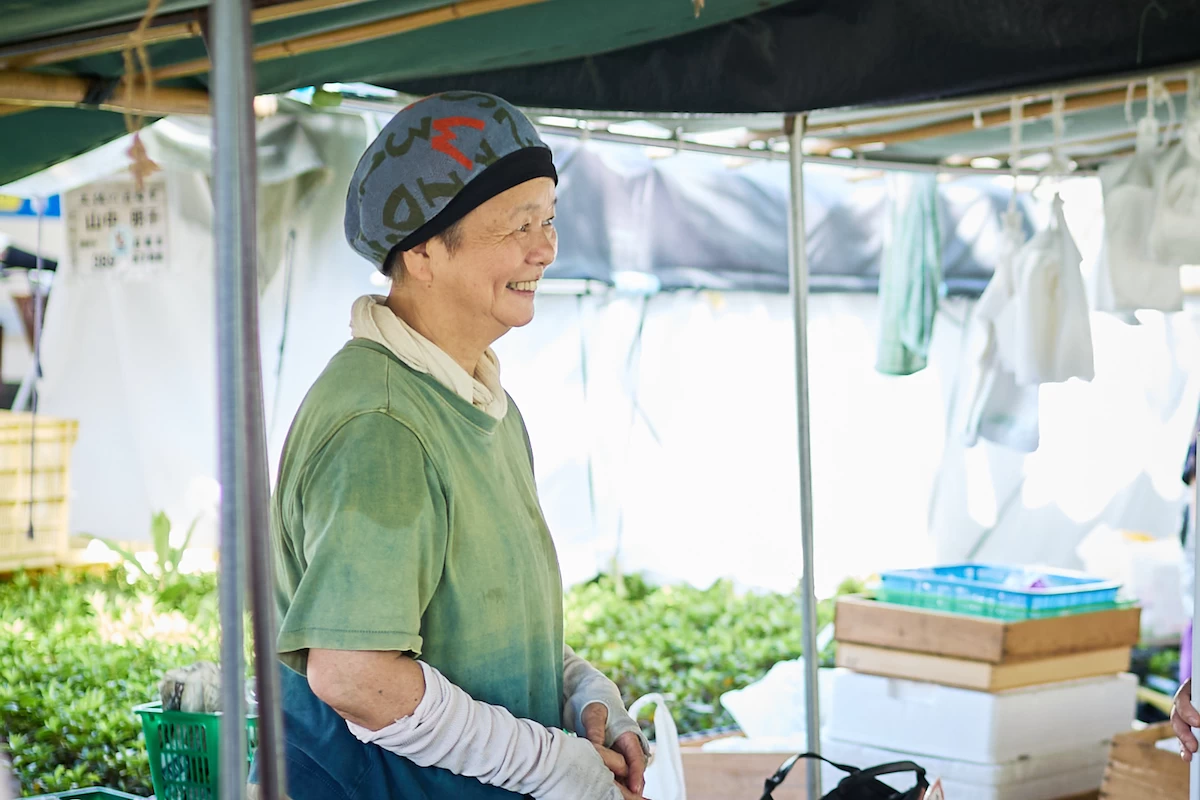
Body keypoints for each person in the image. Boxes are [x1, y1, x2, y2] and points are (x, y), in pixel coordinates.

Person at [248, 92, 650, 800]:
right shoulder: (382, 423)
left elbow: (478, 618)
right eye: (518, 226)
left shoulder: (482, 403)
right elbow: (355, 675)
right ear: (424, 251)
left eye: (549, 219)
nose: (546, 248)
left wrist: (580, 692)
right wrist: (548, 763)